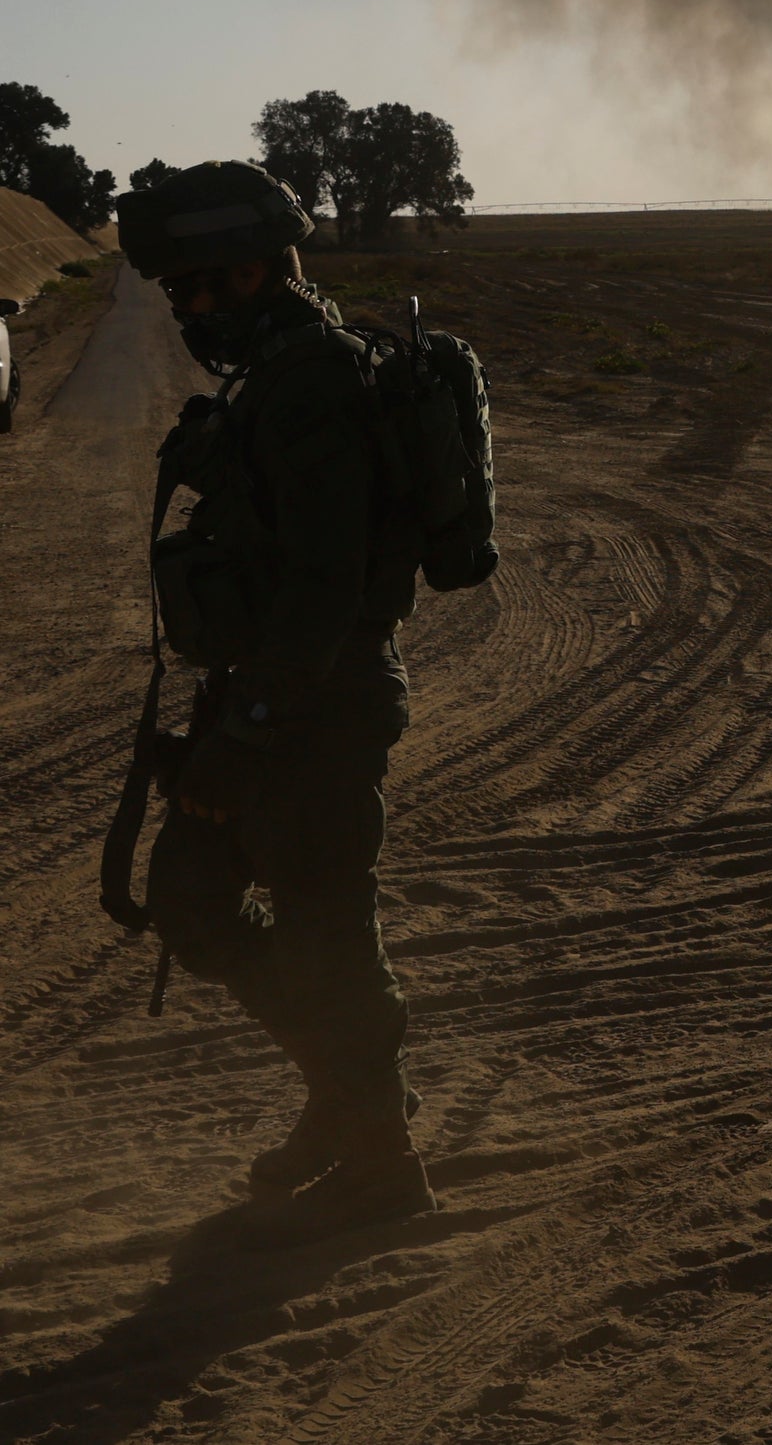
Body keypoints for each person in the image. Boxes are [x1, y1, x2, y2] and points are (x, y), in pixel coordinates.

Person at [115, 161, 434, 1244]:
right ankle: (344, 1101)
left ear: (250, 271)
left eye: (195, 290)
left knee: (326, 934)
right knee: (194, 904)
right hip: (264, 698)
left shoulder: (312, 388)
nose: (187, 312)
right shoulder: (278, 373)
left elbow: (325, 590)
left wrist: (248, 737)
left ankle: (383, 1158)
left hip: (318, 710)